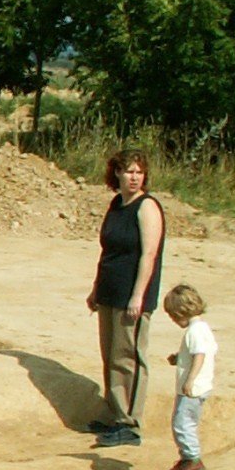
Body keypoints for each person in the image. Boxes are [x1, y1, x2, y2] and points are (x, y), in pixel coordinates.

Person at [85, 148, 165, 448]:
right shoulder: (117, 204)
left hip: (132, 295)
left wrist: (138, 296)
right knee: (111, 355)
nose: (134, 177)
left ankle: (129, 424)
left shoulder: (147, 207)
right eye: (129, 171)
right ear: (116, 173)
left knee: (128, 357)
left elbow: (148, 255)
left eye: (139, 172)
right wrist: (96, 288)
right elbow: (108, 251)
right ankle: (113, 415)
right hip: (110, 291)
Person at [161, 284, 217, 470]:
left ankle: (192, 459)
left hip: (193, 388)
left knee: (182, 424)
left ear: (180, 312)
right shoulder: (203, 328)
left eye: (172, 316)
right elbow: (198, 352)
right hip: (198, 386)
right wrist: (179, 358)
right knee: (185, 422)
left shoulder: (194, 331)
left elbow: (199, 355)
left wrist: (190, 380)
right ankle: (186, 458)